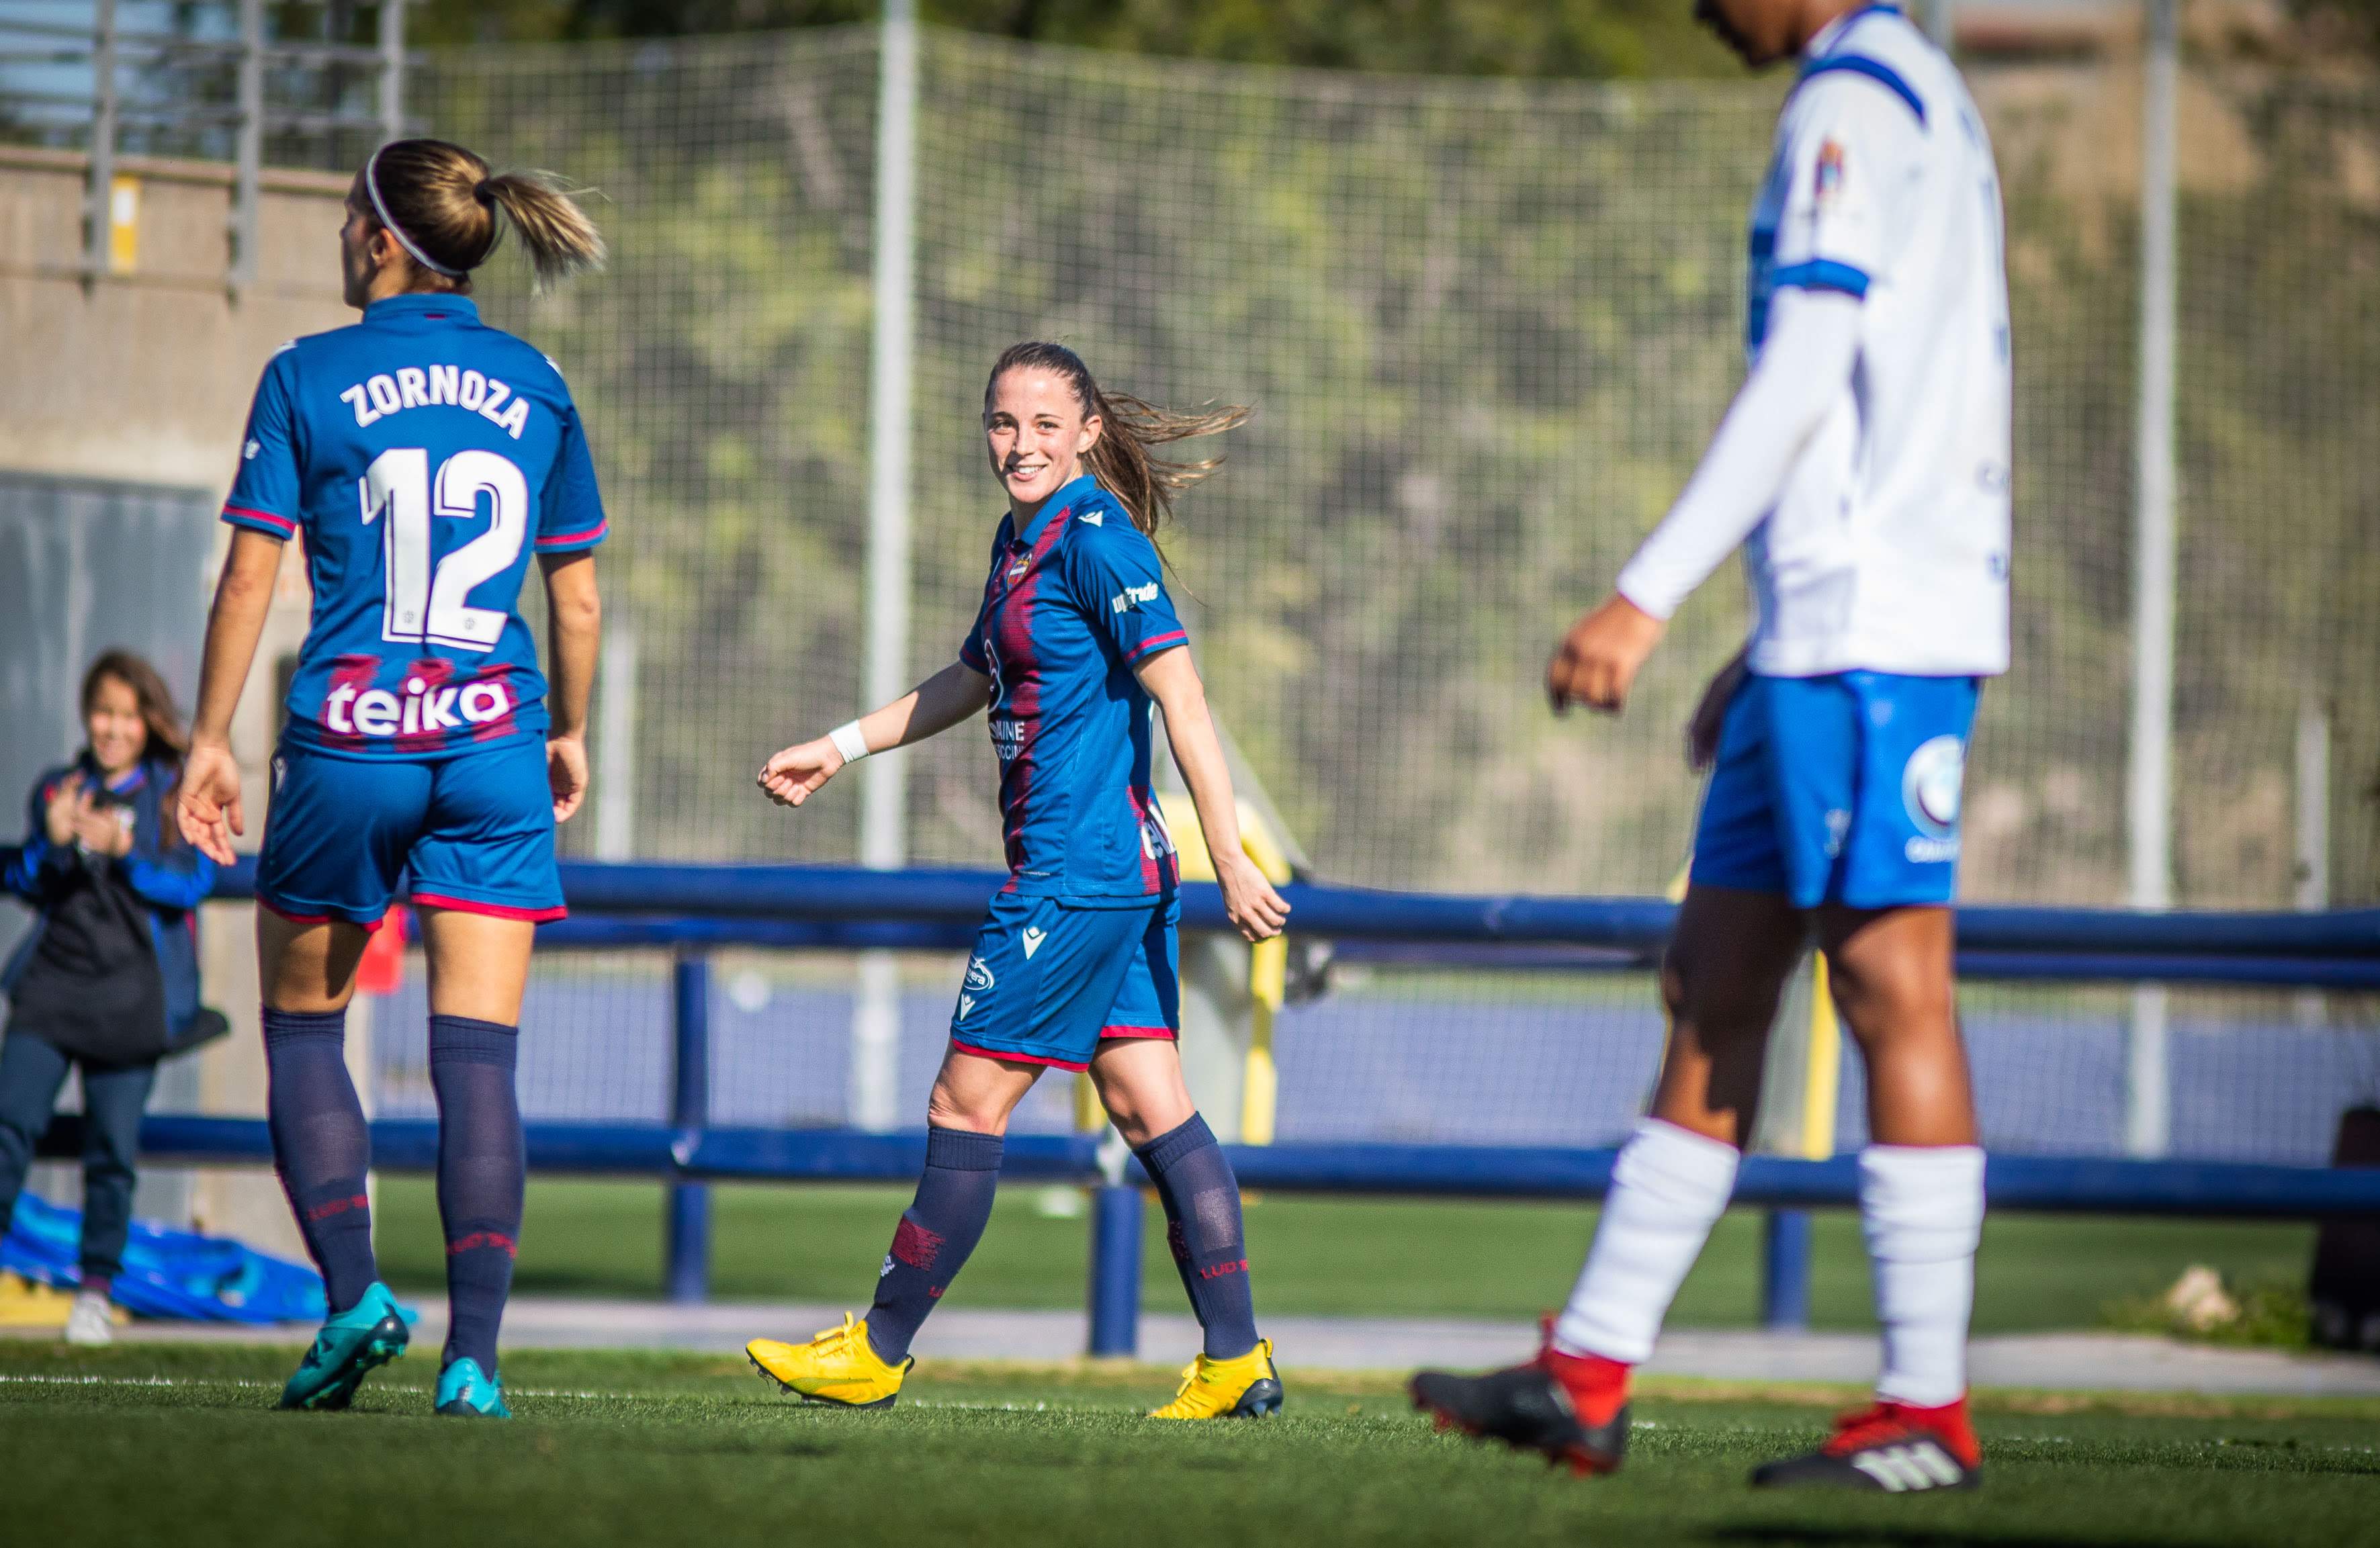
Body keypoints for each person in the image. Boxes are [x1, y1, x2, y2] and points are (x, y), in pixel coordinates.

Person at [1412, 0, 2010, 1493]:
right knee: (1717, 981)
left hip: (1874, 645)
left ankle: (1924, 1413)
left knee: (1890, 985)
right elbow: (1888, 400)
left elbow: (1812, 370)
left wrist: (1645, 594)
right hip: (1821, 636)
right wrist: (1763, 635)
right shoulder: (1896, 92)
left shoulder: (1855, 98)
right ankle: (1587, 1373)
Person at [744, 341, 1292, 1420]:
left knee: (964, 1098)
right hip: (1103, 877)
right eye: (1003, 422)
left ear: (1087, 430)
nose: (1020, 444)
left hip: (1075, 880)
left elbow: (1182, 697)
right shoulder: (1019, 540)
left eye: (1045, 424)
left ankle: (880, 1346)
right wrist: (838, 746)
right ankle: (1235, 1358)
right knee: (1149, 1103)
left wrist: (1229, 857)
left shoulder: (1095, 538)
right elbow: (969, 675)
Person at [177, 138, 608, 1419]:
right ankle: (473, 1361)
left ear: (377, 239)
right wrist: (567, 729)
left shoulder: (306, 374)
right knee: (479, 1061)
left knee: (304, 1029)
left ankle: (358, 1295)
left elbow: (254, 576)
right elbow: (574, 598)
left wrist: (209, 742)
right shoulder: (535, 380)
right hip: (492, 744)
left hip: (352, 742)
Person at [0, 652, 219, 1347]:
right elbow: (26, 877)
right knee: (9, 1122)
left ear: (147, 720)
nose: (113, 727)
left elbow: (191, 884)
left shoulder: (169, 795)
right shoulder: (59, 788)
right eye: (103, 712)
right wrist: (55, 844)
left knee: (111, 1153)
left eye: (127, 714)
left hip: (131, 1003)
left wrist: (126, 848)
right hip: (50, 994)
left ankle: (95, 1290)